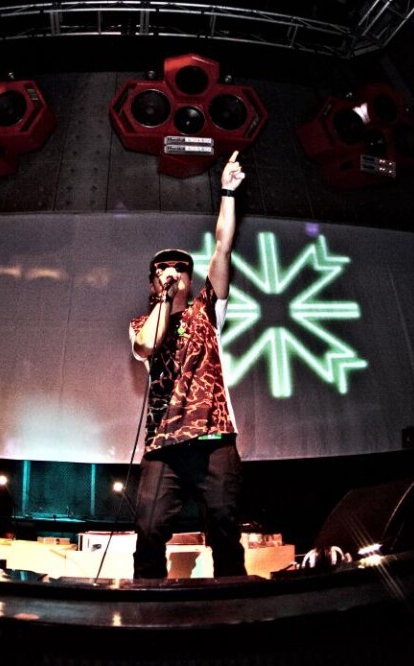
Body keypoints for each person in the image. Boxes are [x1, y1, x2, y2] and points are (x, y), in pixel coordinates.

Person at [128, 151, 248, 579]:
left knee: (224, 527)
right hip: (164, 443)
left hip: (214, 438)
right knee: (148, 528)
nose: (172, 272)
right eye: (163, 269)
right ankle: (145, 605)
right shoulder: (141, 323)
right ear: (152, 281)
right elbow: (147, 346)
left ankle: (234, 604)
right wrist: (163, 299)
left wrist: (228, 192)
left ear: (191, 279)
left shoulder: (208, 310)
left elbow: (222, 246)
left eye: (181, 268)